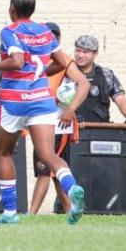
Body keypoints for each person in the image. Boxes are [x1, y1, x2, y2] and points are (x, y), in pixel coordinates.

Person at [0, 0, 90, 226]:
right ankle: (72, 189)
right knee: (48, 155)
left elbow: (16, 61)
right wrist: (40, 72)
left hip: (13, 101)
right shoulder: (45, 33)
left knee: (4, 152)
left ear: (12, 9)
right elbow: (61, 62)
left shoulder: (9, 31)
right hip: (41, 100)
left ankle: (9, 213)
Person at [30, 21, 72, 216]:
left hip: (57, 124)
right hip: (40, 121)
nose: (52, 39)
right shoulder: (33, 61)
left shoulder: (65, 60)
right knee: (54, 172)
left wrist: (70, 107)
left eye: (55, 36)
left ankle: (31, 214)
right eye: (49, 36)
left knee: (45, 170)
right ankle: (72, 210)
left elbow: (79, 86)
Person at [72, 35, 126, 125]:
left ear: (95, 54)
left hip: (100, 130)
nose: (80, 55)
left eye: (85, 52)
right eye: (78, 51)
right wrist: (71, 116)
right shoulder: (66, 72)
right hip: (71, 129)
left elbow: (120, 99)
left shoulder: (106, 74)